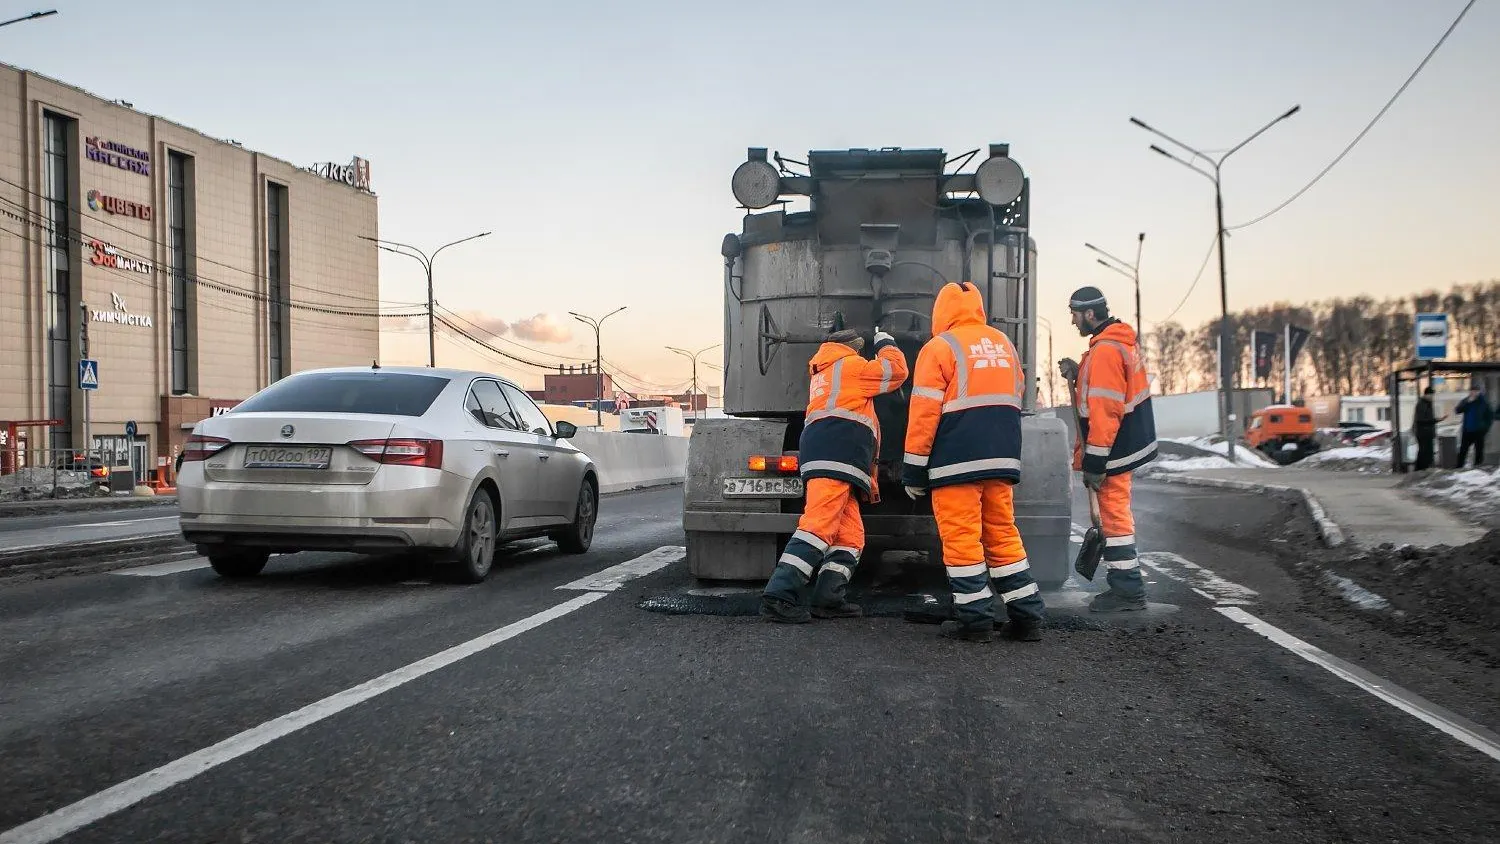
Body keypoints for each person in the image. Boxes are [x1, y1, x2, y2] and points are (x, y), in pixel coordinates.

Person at [902, 282, 1046, 642]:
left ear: (941, 311)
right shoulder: (1004, 343)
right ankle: (1027, 618)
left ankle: (975, 620)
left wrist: (914, 470)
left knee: (962, 540)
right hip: (1001, 459)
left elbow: (924, 414)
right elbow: (1015, 393)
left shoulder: (939, 347)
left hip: (956, 463)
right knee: (1003, 535)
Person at [760, 324, 909, 623]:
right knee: (819, 525)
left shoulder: (825, 370)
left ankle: (828, 599)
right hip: (839, 453)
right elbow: (896, 371)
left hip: (828, 453)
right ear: (854, 349)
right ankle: (778, 596)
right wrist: (886, 342)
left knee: (850, 535)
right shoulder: (852, 366)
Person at [1057, 286, 1158, 613]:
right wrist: (1078, 373)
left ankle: (1128, 590)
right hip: (1122, 444)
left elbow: (1105, 410)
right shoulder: (1115, 343)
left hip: (1113, 448)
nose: (1073, 321)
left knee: (1114, 517)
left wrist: (1096, 461)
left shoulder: (1105, 352)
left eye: (1074, 314)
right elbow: (1103, 391)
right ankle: (1126, 587)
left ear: (1089, 313)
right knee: (1115, 515)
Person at [1454, 384, 1494, 468]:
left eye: (1475, 391)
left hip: (1479, 431)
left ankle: (1478, 468)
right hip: (1467, 430)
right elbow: (1457, 410)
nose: (1473, 393)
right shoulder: (1466, 401)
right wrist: (1467, 402)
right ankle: (1459, 468)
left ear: (1479, 392)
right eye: (1472, 391)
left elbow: (1490, 416)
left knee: (1479, 451)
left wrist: (1485, 429)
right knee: (1463, 450)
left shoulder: (1483, 402)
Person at [1413, 386, 1440, 471]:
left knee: (1427, 452)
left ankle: (1423, 468)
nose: (1432, 397)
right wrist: (1434, 420)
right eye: (1431, 395)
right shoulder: (1422, 404)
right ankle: (1420, 469)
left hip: (1427, 432)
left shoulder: (1427, 404)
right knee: (1423, 452)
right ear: (1426, 395)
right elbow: (1421, 420)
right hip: (1423, 432)